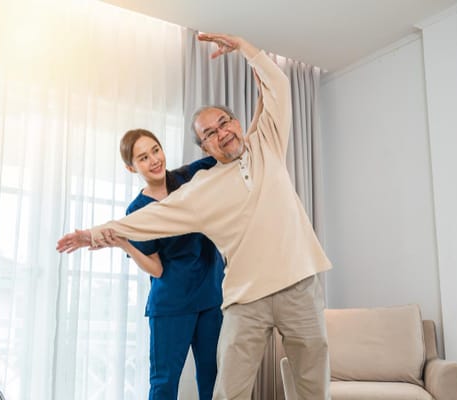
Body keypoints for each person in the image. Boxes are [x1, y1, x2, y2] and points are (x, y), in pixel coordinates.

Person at [57, 33, 332, 399]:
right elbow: (151, 218)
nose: (221, 133)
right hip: (242, 300)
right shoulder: (200, 188)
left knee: (312, 384)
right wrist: (96, 233)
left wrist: (247, 50)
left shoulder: (266, 144)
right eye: (210, 134)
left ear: (237, 122)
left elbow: (278, 85)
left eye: (224, 122)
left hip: (299, 283)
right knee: (225, 389)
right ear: (204, 147)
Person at [102, 128, 224, 400]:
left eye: (156, 150)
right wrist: (125, 244)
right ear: (131, 167)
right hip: (172, 304)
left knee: (214, 379)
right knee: (164, 384)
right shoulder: (137, 210)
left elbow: (224, 157)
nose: (154, 160)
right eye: (143, 158)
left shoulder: (187, 178)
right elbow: (156, 268)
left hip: (211, 297)